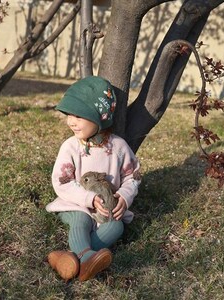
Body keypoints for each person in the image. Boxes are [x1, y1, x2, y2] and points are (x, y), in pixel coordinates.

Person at [46, 76, 141, 282]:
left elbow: (133, 176)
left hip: (106, 210)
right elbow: (61, 181)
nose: (71, 121)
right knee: (80, 220)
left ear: (99, 118)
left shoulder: (119, 147)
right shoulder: (71, 147)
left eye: (79, 116)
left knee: (116, 226)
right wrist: (88, 200)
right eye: (69, 114)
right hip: (75, 205)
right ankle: (88, 259)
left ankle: (69, 260)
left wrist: (125, 196)